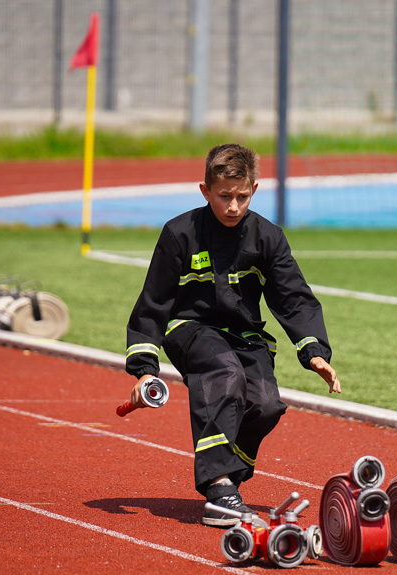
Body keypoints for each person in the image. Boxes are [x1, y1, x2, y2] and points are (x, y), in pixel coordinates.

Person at [124, 143, 341, 527]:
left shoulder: (267, 237)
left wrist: (314, 351)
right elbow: (153, 303)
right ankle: (218, 485)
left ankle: (229, 474)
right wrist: (145, 368)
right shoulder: (178, 233)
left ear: (254, 190)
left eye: (242, 197)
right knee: (225, 374)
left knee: (266, 404)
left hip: (245, 335)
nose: (233, 206)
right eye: (224, 196)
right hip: (189, 328)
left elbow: (293, 297)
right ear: (205, 190)